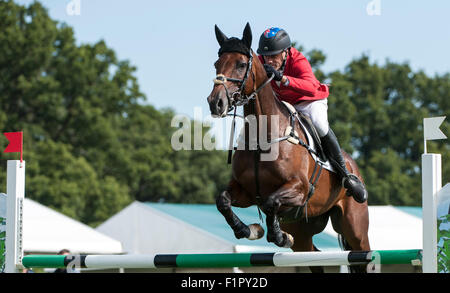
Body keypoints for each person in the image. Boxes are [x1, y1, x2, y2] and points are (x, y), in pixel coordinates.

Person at [257, 27, 367, 203]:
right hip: (284, 104)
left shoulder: (298, 59)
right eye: (266, 56)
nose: (269, 60)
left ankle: (345, 175)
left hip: (309, 101)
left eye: (274, 56)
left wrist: (283, 78)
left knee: (319, 123)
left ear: (285, 52)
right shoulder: (261, 60)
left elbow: (311, 86)